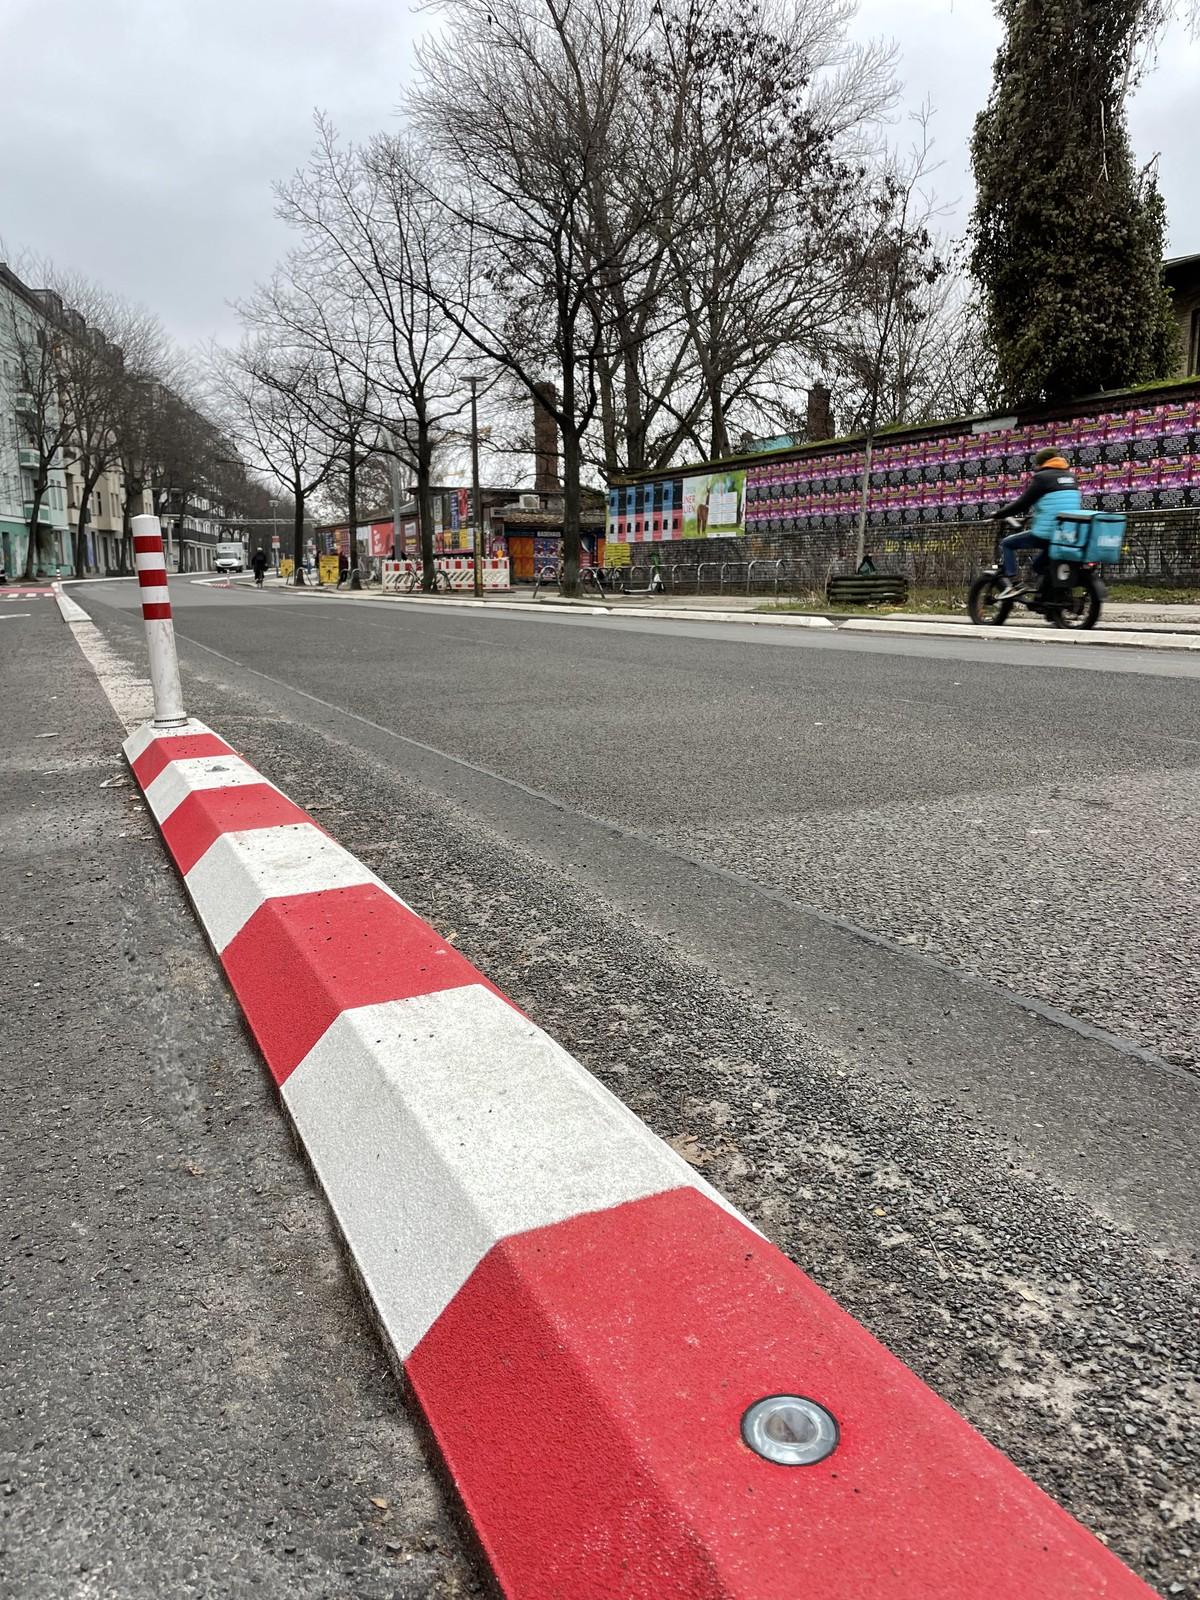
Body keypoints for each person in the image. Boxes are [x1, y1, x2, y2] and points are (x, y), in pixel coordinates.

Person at [994, 447, 1081, 600]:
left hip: (1047, 533)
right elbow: (1053, 504)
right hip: (1069, 533)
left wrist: (999, 514)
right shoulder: (1071, 477)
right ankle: (1048, 597)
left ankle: (1013, 583)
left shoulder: (1042, 478)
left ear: (1041, 463)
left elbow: (1022, 504)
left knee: (1007, 543)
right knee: (1039, 565)